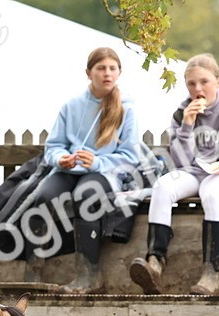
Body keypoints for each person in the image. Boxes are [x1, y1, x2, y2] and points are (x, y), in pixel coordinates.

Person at [129, 52, 219, 295]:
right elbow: (180, 161)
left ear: (218, 82)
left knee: (211, 191)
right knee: (163, 187)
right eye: (191, 84)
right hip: (193, 172)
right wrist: (187, 126)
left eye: (204, 82)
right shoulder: (181, 114)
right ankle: (155, 261)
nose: (197, 89)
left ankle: (211, 272)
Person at [32, 46, 139, 294]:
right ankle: (33, 270)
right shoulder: (71, 106)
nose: (107, 73)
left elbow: (130, 158)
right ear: (88, 73)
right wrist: (62, 160)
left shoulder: (127, 109)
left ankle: (89, 274)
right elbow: (53, 146)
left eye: (113, 68)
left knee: (86, 194)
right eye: (101, 68)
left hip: (105, 172)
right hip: (70, 170)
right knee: (44, 196)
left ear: (119, 72)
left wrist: (97, 162)